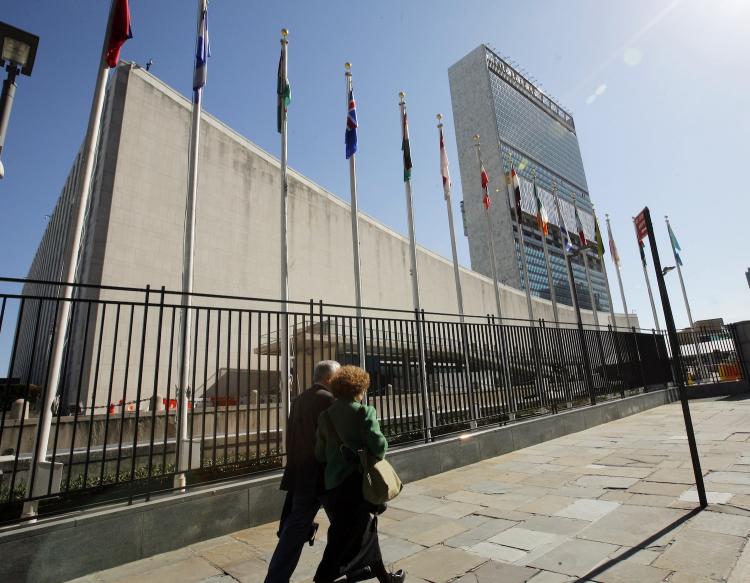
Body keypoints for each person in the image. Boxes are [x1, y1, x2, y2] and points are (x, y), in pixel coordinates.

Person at [313, 365, 406, 583]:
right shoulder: (364, 412)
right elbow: (379, 447)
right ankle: (323, 578)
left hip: (334, 485)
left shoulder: (325, 416)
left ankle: (384, 577)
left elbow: (320, 454)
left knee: (363, 531)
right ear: (358, 388)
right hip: (359, 485)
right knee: (343, 538)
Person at [264, 360, 340, 583]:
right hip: (325, 478)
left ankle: (275, 579)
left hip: (303, 476)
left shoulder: (299, 400)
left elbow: (293, 436)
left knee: (293, 533)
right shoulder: (328, 400)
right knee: (351, 525)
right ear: (328, 379)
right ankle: (356, 569)